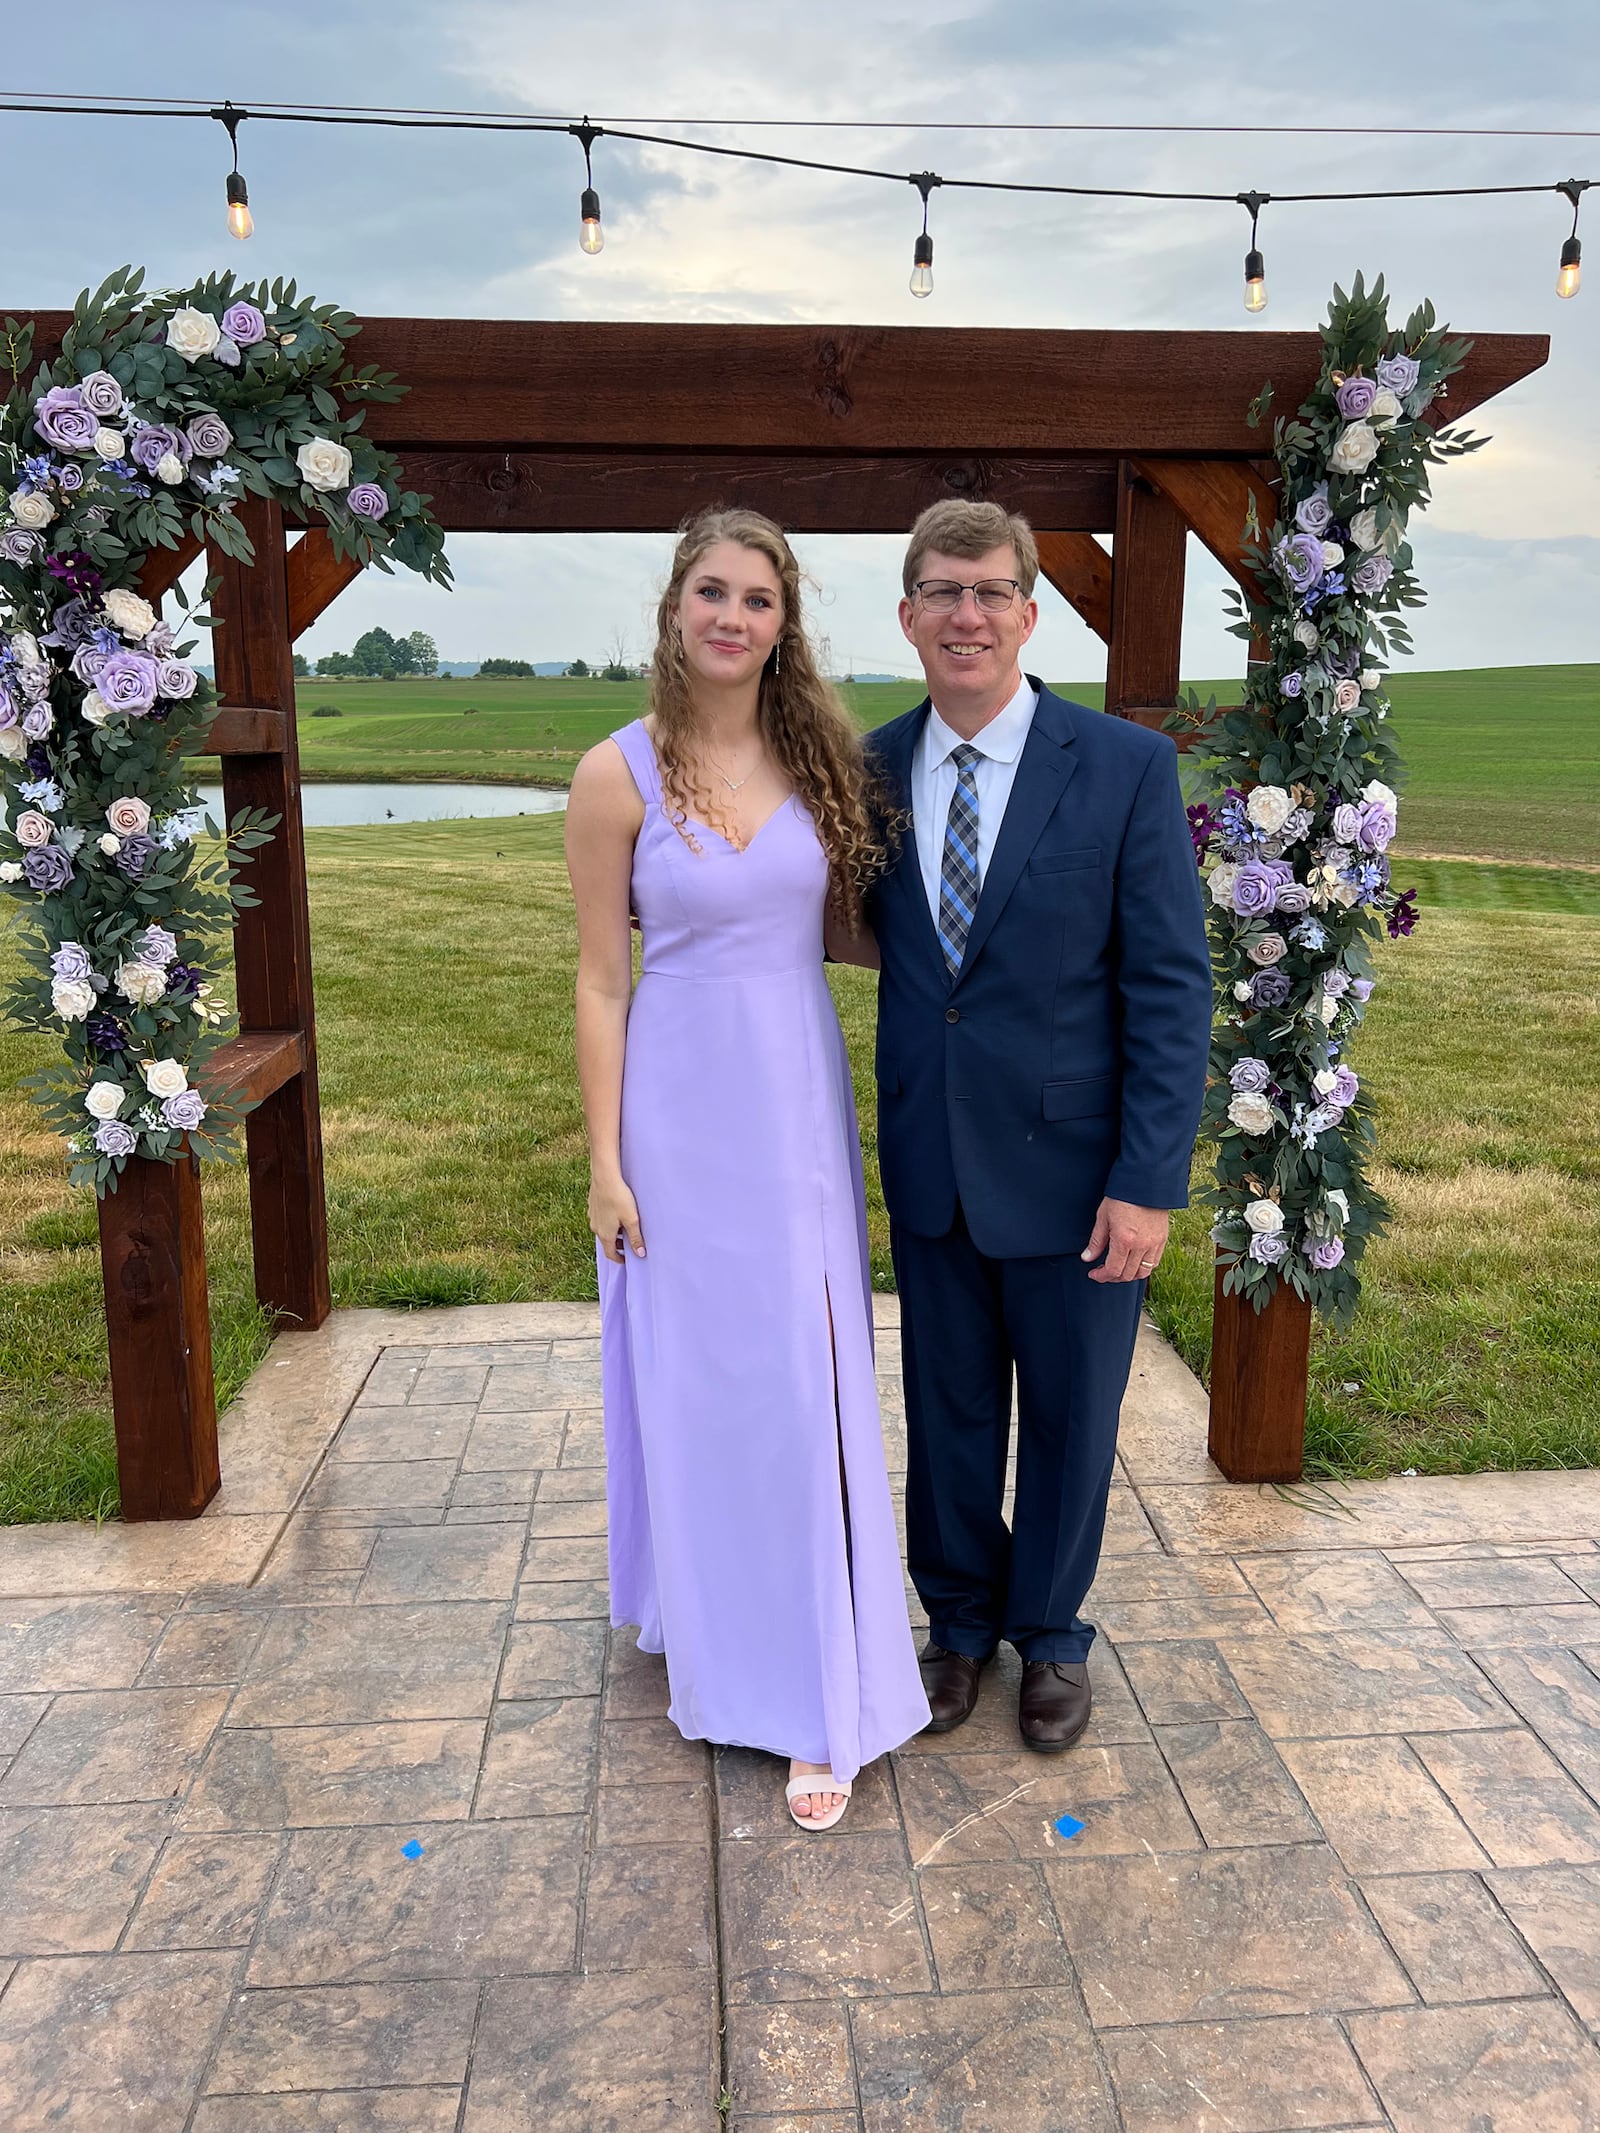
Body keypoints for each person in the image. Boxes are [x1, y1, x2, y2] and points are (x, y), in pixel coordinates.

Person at [565, 508, 930, 1831]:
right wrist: (607, 1163)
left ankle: (807, 1678)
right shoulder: (614, 775)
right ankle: (723, 1635)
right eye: (711, 591)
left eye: (759, 598)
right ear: (674, 608)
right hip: (676, 1106)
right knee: (703, 1377)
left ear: (786, 624)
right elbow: (604, 982)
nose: (732, 615)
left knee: (798, 1375)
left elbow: (865, 928)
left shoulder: (818, 754)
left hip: (793, 1105)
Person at [860, 499, 1212, 1752]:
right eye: (942, 591)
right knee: (949, 1411)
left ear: (1030, 610)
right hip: (933, 1164)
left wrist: (1149, 1180)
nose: (966, 614)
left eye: (990, 590)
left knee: (1073, 1417)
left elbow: (1171, 985)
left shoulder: (1121, 767)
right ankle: (955, 1629)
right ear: (907, 615)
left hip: (1079, 1177)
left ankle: (1051, 1635)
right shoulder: (868, 770)